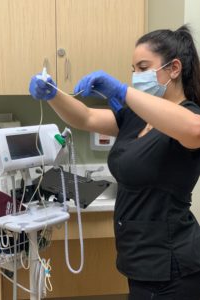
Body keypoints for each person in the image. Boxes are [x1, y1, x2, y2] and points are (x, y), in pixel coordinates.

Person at [29, 25, 200, 300]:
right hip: (140, 262)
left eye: (143, 67)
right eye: (133, 69)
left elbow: (194, 130)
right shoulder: (138, 117)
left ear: (174, 68)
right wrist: (52, 93)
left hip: (172, 266)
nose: (136, 76)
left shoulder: (188, 116)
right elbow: (85, 118)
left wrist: (122, 91)